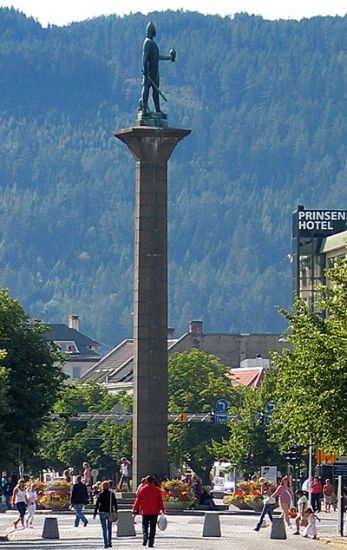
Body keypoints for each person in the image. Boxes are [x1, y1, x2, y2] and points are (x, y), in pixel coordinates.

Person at [140, 22, 175, 114]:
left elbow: (156, 56)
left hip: (155, 73)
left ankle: (157, 109)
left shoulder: (152, 43)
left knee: (155, 92)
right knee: (146, 89)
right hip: (148, 72)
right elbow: (145, 57)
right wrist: (145, 70)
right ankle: (144, 109)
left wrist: (168, 57)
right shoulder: (147, 42)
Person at [132, 475, 164, 548]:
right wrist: (162, 509)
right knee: (153, 526)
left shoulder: (142, 489)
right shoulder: (157, 490)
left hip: (145, 510)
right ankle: (151, 542)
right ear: (153, 481)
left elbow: (138, 499)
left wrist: (134, 508)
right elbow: (160, 500)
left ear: (146, 481)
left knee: (144, 525)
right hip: (154, 511)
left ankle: (145, 536)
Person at [93, 480, 118, 549]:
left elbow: (97, 504)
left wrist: (95, 513)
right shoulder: (111, 494)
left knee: (104, 528)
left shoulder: (101, 494)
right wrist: (116, 511)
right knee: (109, 528)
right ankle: (109, 542)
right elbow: (115, 503)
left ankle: (105, 543)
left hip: (102, 512)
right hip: (109, 512)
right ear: (109, 486)